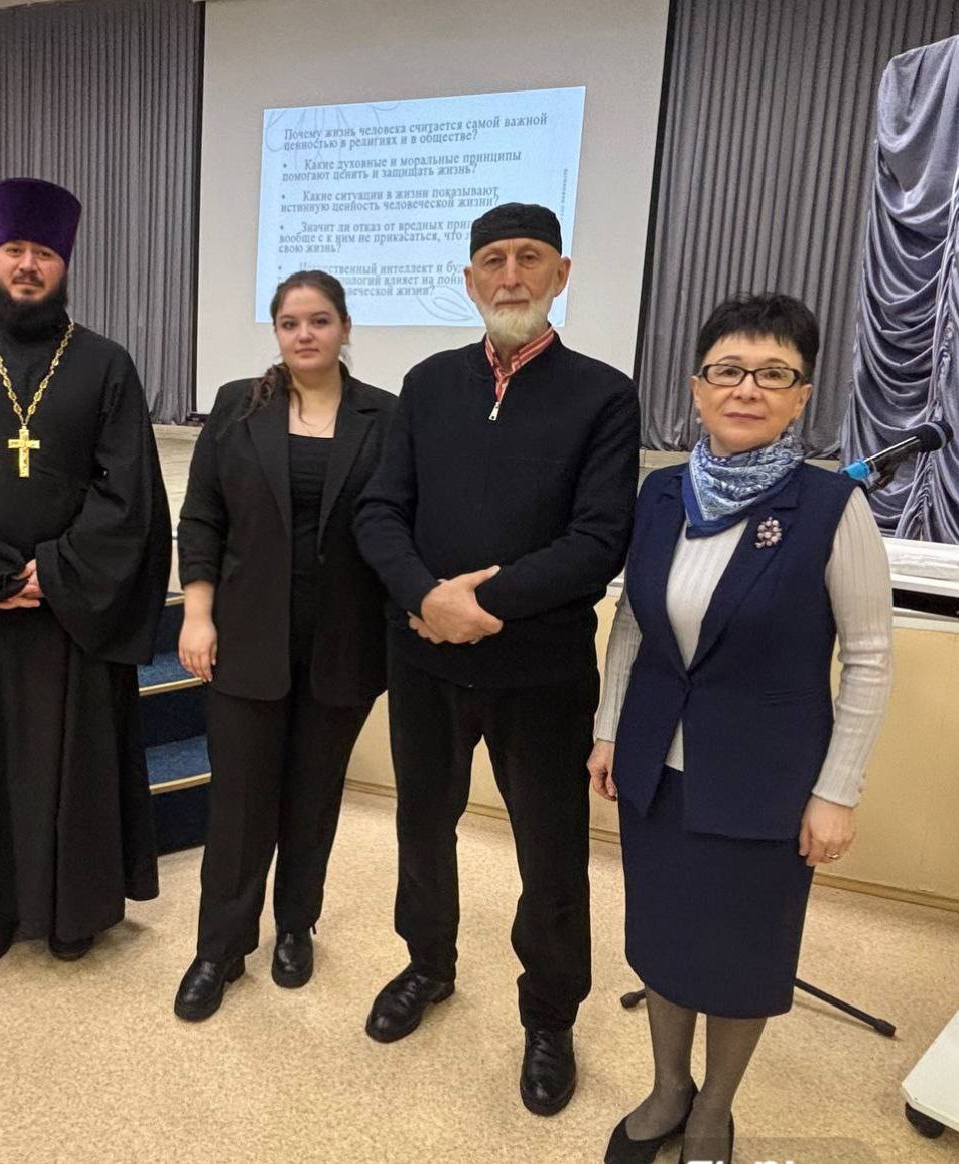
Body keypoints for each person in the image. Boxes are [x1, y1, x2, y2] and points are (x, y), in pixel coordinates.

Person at [590, 294, 893, 1164]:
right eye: (727, 370)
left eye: (772, 374)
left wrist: (836, 792)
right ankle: (667, 1089)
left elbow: (869, 659)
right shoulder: (660, 494)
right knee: (661, 938)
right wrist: (609, 729)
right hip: (654, 766)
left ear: (801, 396)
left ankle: (713, 1109)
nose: (746, 388)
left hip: (766, 778)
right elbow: (634, 623)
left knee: (741, 954)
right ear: (696, 388)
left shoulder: (831, 506)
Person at [354, 204, 641, 1115]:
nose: (509, 275)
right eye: (492, 260)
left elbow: (598, 539)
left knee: (550, 856)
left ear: (561, 273)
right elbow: (379, 512)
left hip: (541, 676)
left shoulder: (603, 395)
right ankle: (426, 966)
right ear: (469, 279)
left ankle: (549, 1016)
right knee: (420, 828)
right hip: (423, 662)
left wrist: (482, 604)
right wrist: (424, 598)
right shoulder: (427, 383)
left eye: (528, 258)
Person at [0, 177, 172, 967]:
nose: (26, 265)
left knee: (73, 762)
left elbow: (131, 492)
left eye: (43, 252)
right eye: (14, 249)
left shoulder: (106, 365)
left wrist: (53, 572)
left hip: (71, 609)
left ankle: (72, 913)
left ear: (64, 264)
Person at [173, 270, 395, 1021]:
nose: (305, 334)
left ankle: (296, 925)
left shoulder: (384, 415)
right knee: (239, 802)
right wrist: (197, 614)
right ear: (275, 331)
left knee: (313, 795)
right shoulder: (240, 404)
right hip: (245, 636)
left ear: (344, 328)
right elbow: (202, 516)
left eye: (320, 320)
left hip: (344, 641)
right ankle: (220, 948)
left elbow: (398, 525)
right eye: (291, 322)